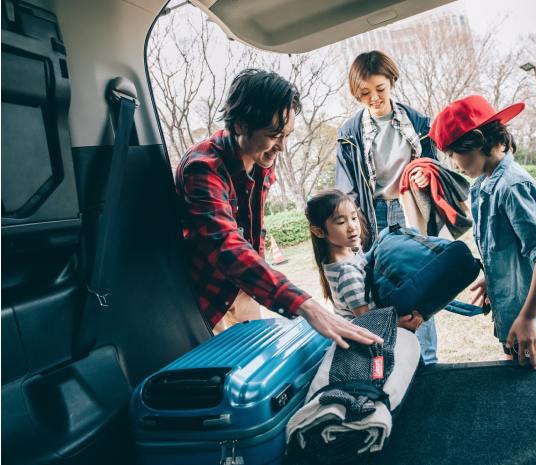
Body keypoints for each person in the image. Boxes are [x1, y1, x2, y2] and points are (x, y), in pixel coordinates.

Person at [175, 68, 381, 349]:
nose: (282, 147)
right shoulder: (203, 167)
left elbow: (249, 237)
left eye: (287, 134)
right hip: (206, 298)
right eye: (274, 135)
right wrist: (304, 304)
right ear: (241, 126)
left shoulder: (261, 161)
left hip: (246, 288)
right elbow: (227, 246)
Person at [430, 95, 536, 370]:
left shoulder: (511, 187)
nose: (454, 164)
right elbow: (503, 246)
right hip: (512, 299)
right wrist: (493, 278)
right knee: (515, 370)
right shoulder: (484, 185)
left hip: (533, 312)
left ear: (477, 141)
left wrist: (529, 317)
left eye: (452, 154)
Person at [335, 50, 439, 363]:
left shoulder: (418, 122)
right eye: (364, 93)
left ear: (391, 82)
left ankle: (429, 360)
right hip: (373, 213)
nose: (373, 98)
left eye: (379, 89)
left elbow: (435, 166)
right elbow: (346, 188)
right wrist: (354, 226)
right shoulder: (349, 133)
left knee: (421, 284)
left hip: (410, 209)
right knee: (382, 289)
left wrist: (425, 171)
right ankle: (399, 360)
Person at [305, 189, 423, 331]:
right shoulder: (347, 272)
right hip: (375, 343)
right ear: (319, 231)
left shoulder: (343, 256)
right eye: (341, 222)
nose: (352, 227)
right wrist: (400, 325)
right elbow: (368, 324)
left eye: (354, 218)